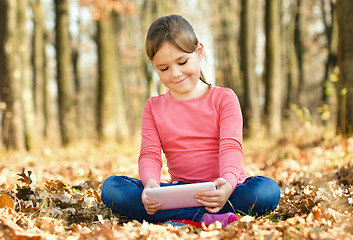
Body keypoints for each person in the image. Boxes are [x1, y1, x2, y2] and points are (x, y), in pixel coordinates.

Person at [101, 14, 280, 227]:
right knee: (112, 187)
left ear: (199, 53)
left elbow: (231, 146)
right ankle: (203, 218)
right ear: (155, 67)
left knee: (267, 190)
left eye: (182, 62)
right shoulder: (153, 107)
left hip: (224, 190)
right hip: (178, 191)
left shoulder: (224, 98)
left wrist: (228, 185)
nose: (175, 73)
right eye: (164, 68)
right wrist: (150, 186)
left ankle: (178, 217)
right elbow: (150, 153)